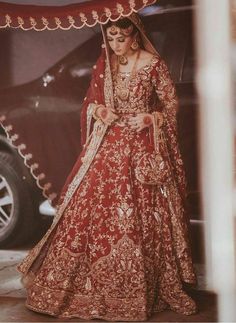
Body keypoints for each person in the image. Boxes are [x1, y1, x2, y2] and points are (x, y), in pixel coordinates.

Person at [17, 13, 197, 321]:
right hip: (109, 147)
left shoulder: (153, 65)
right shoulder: (107, 66)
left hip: (142, 148)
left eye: (120, 38)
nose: (114, 45)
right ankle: (88, 286)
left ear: (135, 36)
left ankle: (140, 287)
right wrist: (100, 111)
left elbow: (170, 105)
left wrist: (151, 119)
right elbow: (90, 102)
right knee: (91, 209)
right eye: (110, 38)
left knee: (140, 215)